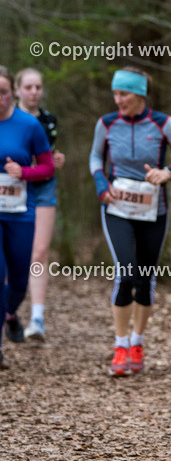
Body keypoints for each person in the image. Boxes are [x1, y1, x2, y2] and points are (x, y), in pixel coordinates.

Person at [89, 68, 171, 377]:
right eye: (115, 93)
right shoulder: (106, 124)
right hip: (117, 207)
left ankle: (137, 343)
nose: (117, 100)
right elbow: (95, 158)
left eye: (124, 94)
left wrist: (169, 172)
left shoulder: (162, 124)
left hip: (153, 210)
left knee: (145, 276)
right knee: (127, 272)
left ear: (140, 94)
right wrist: (101, 185)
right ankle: (120, 346)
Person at [0, 66, 55, 366]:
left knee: (20, 277)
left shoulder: (29, 125)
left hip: (20, 211)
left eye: (4, 92)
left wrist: (24, 172)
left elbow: (47, 167)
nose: (0, 98)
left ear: (12, 93)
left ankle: (11, 313)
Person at [15, 68, 66, 341]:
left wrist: (56, 160)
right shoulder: (8, 117)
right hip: (13, 190)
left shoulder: (49, 121)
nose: (34, 92)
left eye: (38, 87)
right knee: (13, 252)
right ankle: (9, 312)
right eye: (28, 87)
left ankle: (37, 318)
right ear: (17, 90)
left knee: (40, 252)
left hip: (44, 188)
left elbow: (49, 154)